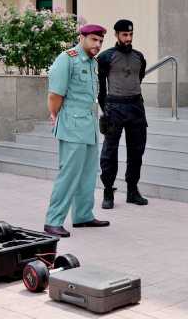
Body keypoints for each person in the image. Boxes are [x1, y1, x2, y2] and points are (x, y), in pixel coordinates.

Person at [44, 24, 111, 237]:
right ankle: (53, 221)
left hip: (88, 126)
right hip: (72, 126)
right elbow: (55, 95)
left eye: (100, 41)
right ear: (81, 37)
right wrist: (55, 116)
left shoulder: (92, 62)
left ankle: (83, 215)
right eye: (93, 39)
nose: (98, 44)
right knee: (69, 174)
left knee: (88, 174)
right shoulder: (68, 58)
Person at [97, 19, 149, 209]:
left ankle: (132, 191)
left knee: (137, 151)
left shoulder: (139, 57)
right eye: (125, 35)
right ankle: (108, 191)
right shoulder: (105, 57)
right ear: (117, 35)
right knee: (109, 151)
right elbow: (101, 90)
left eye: (131, 34)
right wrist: (106, 111)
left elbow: (138, 78)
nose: (128, 38)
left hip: (136, 106)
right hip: (114, 107)